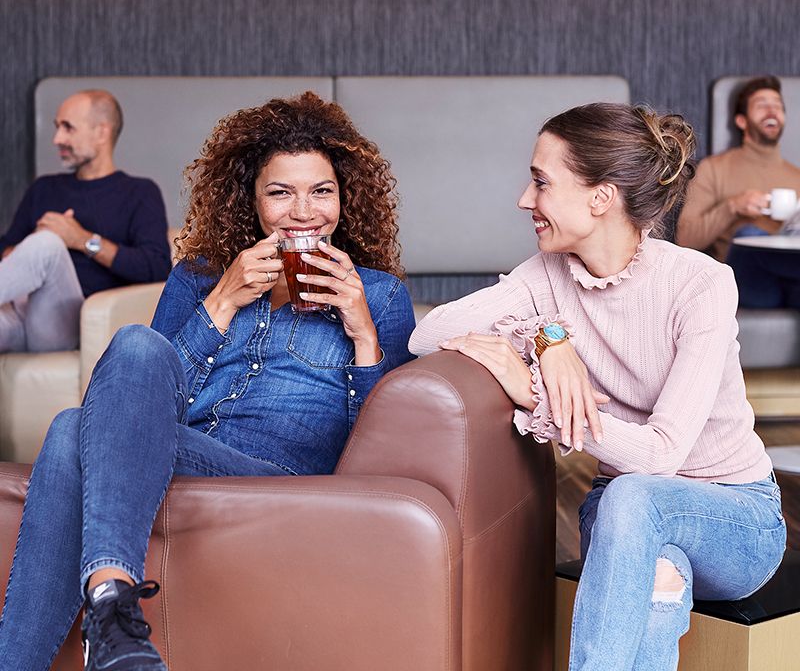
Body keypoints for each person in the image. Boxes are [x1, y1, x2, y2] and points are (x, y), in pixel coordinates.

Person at [0, 92, 416, 670]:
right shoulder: (199, 280)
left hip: (277, 480)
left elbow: (381, 456)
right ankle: (113, 609)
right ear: (250, 201)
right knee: (132, 351)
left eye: (321, 191)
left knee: (73, 430)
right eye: (280, 192)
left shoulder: (380, 295)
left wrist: (363, 335)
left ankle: (90, 623)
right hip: (172, 457)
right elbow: (147, 398)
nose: (304, 212)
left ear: (344, 198)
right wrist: (221, 302)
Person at [410, 103, 785, 671]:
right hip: (621, 520)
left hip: (736, 519)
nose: (523, 200)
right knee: (655, 570)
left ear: (600, 197)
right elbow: (427, 332)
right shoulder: (546, 276)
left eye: (541, 182)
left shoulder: (701, 284)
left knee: (637, 494)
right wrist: (548, 338)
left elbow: (661, 455)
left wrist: (535, 396)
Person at [0, 89, 172, 353]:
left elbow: (156, 268)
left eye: (68, 128)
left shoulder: (139, 192)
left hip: (61, 324)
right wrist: (26, 250)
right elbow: (6, 248)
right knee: (42, 243)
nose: (57, 138)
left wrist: (80, 239)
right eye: (57, 127)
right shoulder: (44, 188)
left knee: (47, 244)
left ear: (101, 132)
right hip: (15, 312)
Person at [676, 75, 800, 307]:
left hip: (792, 282)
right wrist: (731, 208)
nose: (772, 111)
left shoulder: (798, 177)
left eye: (778, 106)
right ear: (741, 121)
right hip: (744, 280)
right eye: (762, 106)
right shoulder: (715, 168)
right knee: (749, 233)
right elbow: (684, 240)